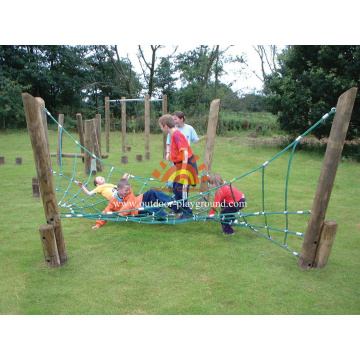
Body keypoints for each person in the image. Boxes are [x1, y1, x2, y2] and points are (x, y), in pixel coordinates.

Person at [92, 176, 175, 229]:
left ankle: (175, 206)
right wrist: (98, 224)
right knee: (152, 209)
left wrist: (120, 214)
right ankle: (165, 217)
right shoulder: (113, 200)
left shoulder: (129, 193)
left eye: (129, 190)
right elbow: (106, 211)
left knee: (153, 191)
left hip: (138, 200)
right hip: (135, 209)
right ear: (119, 189)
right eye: (126, 190)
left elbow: (129, 204)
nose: (128, 192)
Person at [159, 114, 198, 220]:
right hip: (179, 165)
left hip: (186, 165)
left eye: (161, 126)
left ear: (166, 126)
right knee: (176, 188)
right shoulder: (173, 135)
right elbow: (177, 151)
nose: (161, 128)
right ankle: (177, 208)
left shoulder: (177, 135)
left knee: (181, 189)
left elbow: (185, 152)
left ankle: (187, 212)